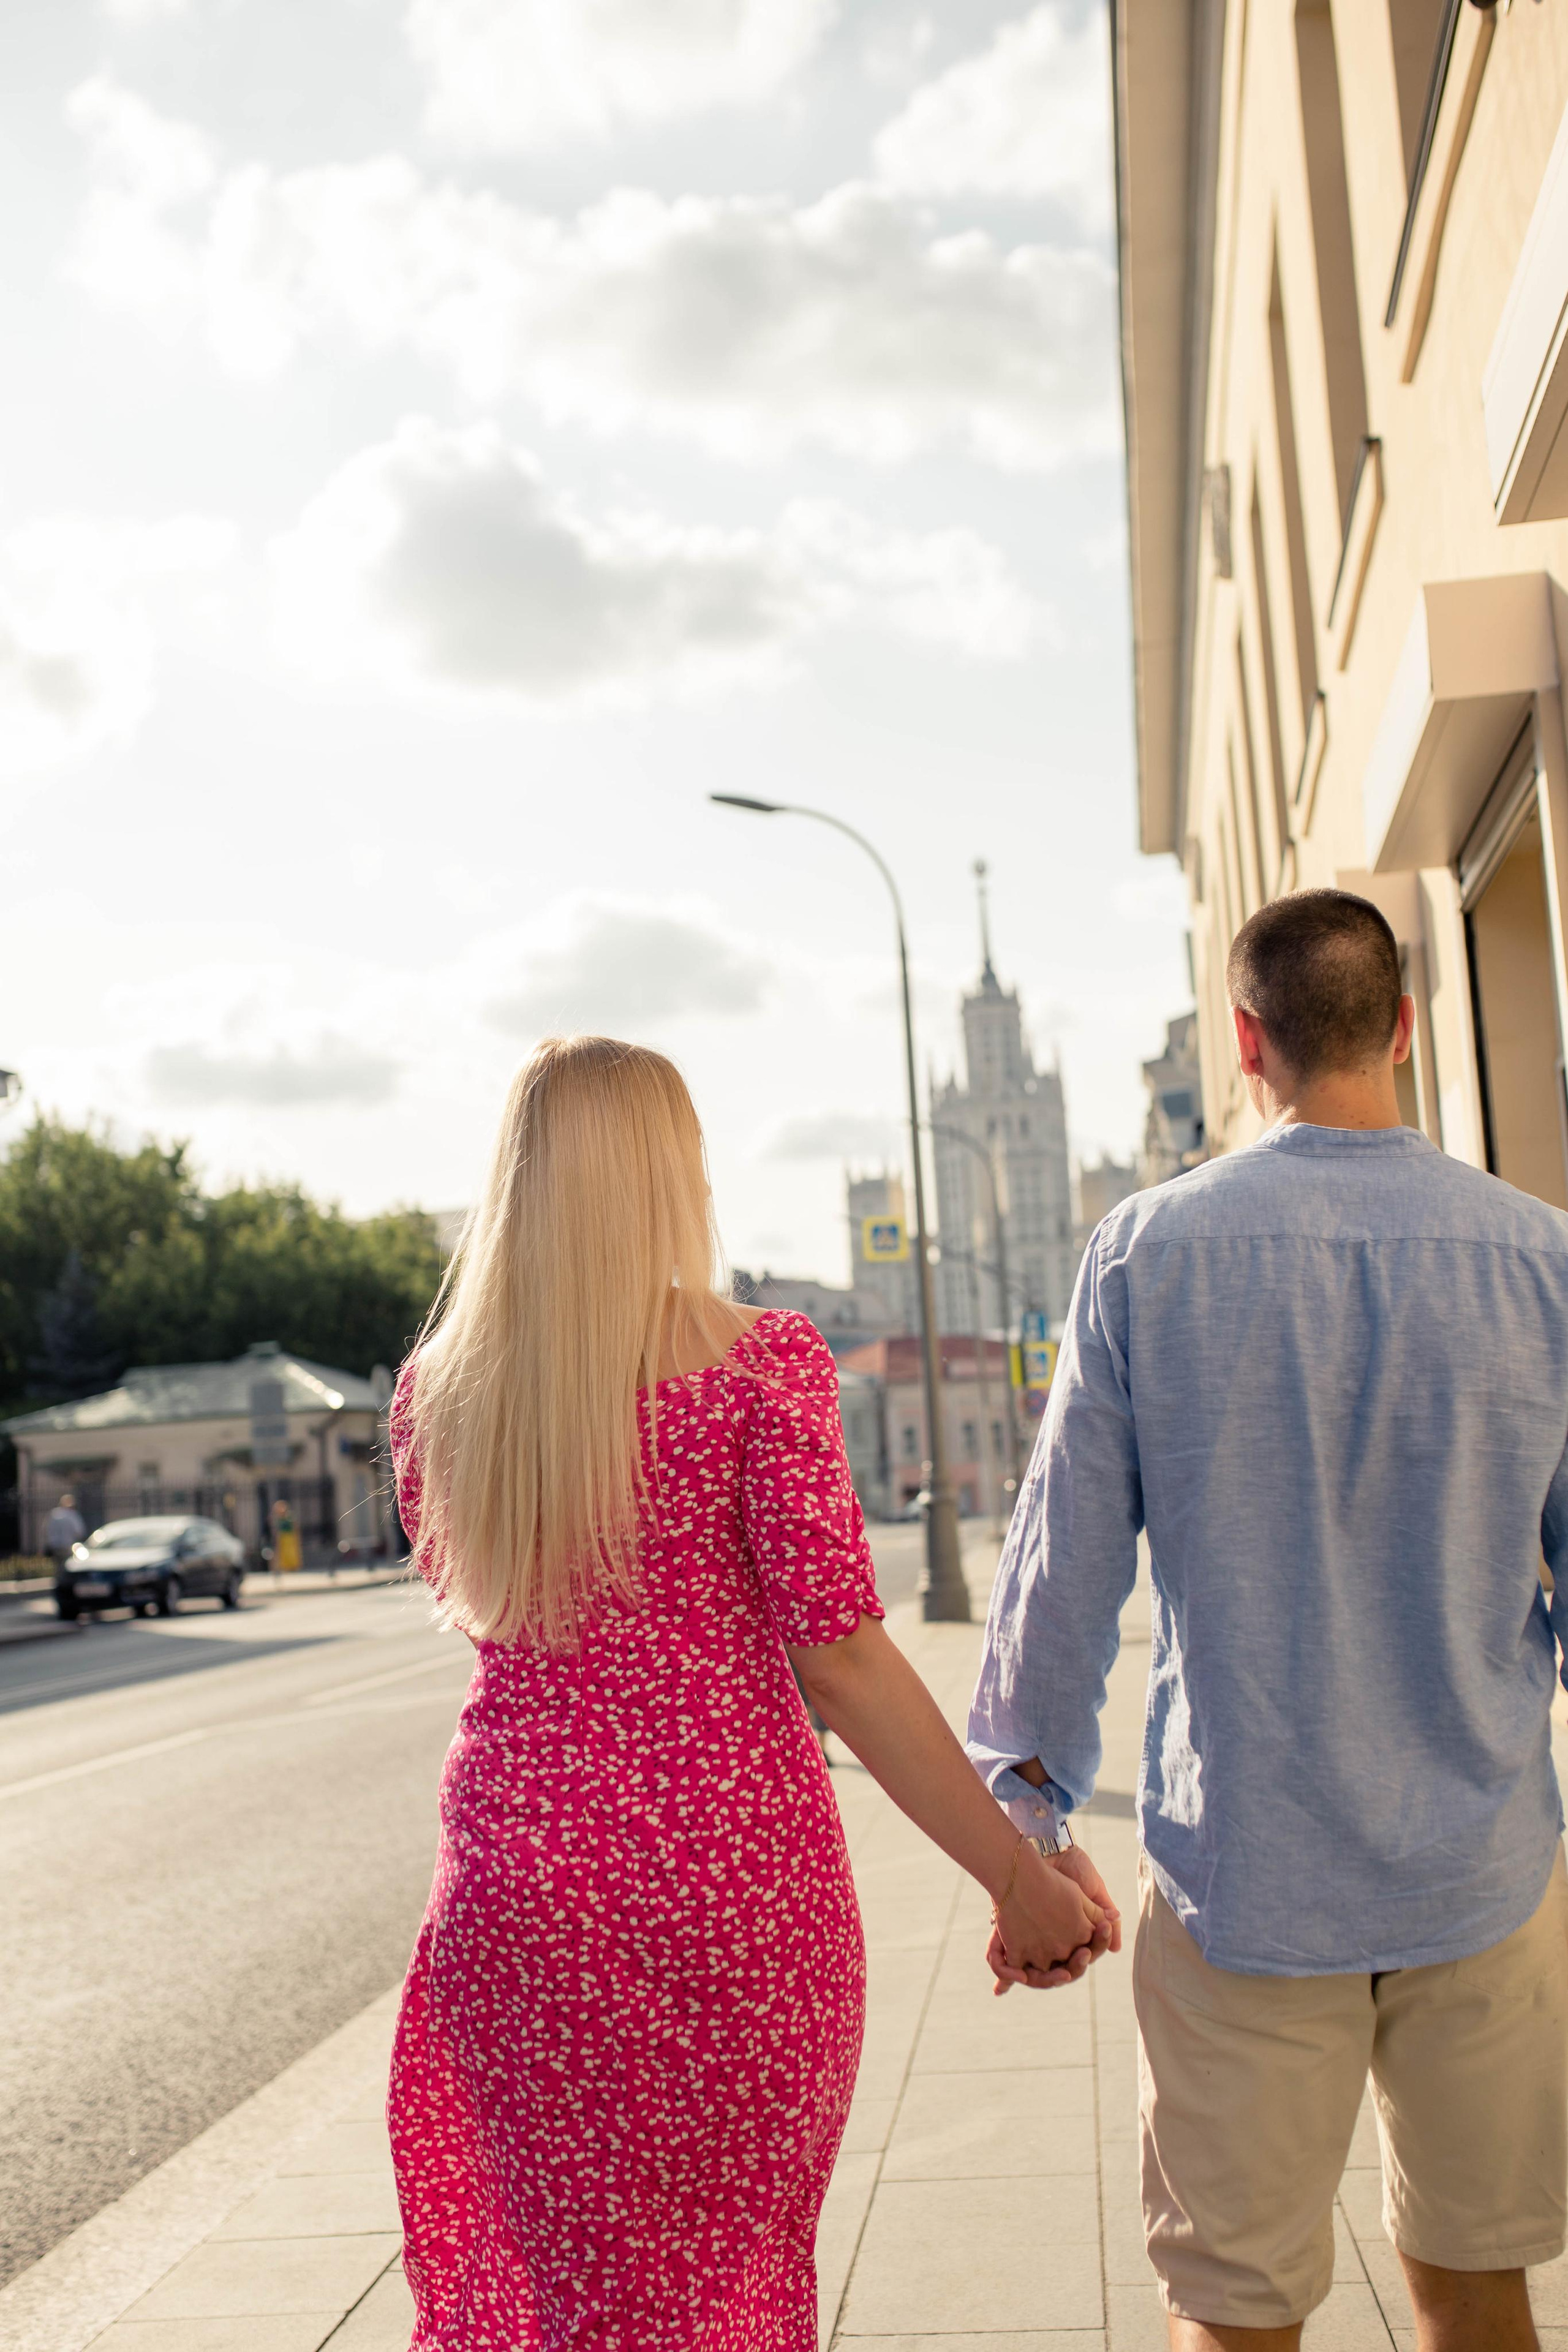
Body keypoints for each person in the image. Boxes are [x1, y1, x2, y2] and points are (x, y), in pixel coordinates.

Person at [385, 1035, 1119, 2352]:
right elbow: (837, 1660)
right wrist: (1015, 1878)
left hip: (513, 1888)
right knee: (725, 2280)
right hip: (725, 1890)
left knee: (566, 2295)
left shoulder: (438, 1397)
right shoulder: (758, 1365)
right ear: (675, 1174)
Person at [968, 889, 1568, 2352]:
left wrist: (1029, 1834)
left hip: (1245, 1876)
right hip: (1480, 1871)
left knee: (1230, 2310)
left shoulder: (1144, 1252)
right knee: (1476, 2283)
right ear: (1406, 1028)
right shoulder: (1541, 1258)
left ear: (1246, 1043)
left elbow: (1060, 1573)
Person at [43, 1491, 86, 1570]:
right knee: (67, 1565)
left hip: (54, 1545)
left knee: (57, 1566)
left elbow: (46, 1529)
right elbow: (79, 1532)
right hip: (67, 1545)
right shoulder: (73, 1515)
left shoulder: (53, 1514)